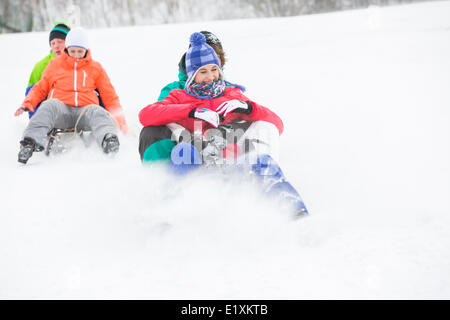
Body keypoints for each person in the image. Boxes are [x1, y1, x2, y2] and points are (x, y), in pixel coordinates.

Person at [139, 32, 308, 215]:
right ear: (191, 73)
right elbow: (147, 115)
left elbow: (276, 124)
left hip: (230, 156)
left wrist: (247, 108)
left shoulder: (231, 93)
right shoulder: (178, 95)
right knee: (184, 153)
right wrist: (192, 111)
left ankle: (292, 210)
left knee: (261, 161)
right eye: (202, 71)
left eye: (214, 69)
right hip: (197, 156)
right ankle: (168, 212)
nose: (210, 76)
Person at [15, 27, 128, 164]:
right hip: (61, 110)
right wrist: (28, 102)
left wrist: (121, 121)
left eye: (80, 51)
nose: (76, 55)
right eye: (72, 51)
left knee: (97, 111)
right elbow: (40, 87)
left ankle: (108, 139)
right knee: (48, 105)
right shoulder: (55, 65)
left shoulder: (95, 68)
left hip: (85, 111)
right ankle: (29, 143)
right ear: (67, 49)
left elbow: (109, 95)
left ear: (86, 50)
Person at [139, 31, 235, 163]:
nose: (207, 58)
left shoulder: (229, 90)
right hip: (181, 146)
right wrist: (192, 112)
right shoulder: (174, 89)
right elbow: (156, 116)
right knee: (152, 130)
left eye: (214, 55)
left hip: (219, 145)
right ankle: (160, 174)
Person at [26, 21, 71, 118]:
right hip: (49, 104)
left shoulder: (78, 62)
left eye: (60, 42)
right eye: (53, 43)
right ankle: (37, 122)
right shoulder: (41, 65)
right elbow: (31, 92)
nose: (56, 46)